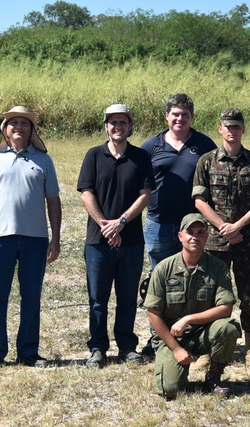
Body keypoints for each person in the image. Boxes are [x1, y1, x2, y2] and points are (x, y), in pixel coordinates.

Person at [0, 106, 62, 371]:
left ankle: (29, 352)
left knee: (31, 296)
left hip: (35, 239)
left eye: (25, 123)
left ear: (32, 130)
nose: (19, 127)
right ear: (5, 129)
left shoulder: (44, 160)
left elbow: (53, 201)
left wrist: (55, 238)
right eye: (13, 123)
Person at [77, 103, 154, 367]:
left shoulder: (140, 157)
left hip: (131, 240)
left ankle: (126, 346)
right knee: (98, 299)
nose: (117, 127)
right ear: (106, 126)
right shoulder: (93, 155)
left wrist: (120, 222)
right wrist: (105, 225)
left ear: (130, 126)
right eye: (113, 123)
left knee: (127, 297)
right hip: (98, 241)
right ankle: (97, 348)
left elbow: (145, 194)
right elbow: (86, 192)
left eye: (123, 122)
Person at [193, 107, 250, 354]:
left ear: (243, 129)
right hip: (215, 242)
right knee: (213, 294)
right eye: (228, 126)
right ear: (220, 129)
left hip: (246, 241)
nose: (232, 131)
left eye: (237, 126)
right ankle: (212, 345)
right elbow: (199, 201)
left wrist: (237, 226)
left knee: (248, 295)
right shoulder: (206, 161)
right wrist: (222, 227)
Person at [143, 213, 239, 398]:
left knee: (227, 327)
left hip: (203, 334)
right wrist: (177, 349)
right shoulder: (164, 268)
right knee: (169, 390)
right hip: (171, 338)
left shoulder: (218, 267)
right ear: (181, 236)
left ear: (207, 236)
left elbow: (225, 308)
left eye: (200, 232)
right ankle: (178, 369)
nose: (195, 237)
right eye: (190, 232)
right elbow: (153, 313)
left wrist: (188, 319)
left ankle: (214, 378)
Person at [141, 93, 217, 271]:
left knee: (193, 272)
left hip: (194, 223)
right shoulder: (151, 146)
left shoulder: (205, 144)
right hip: (158, 223)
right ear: (167, 115)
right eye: (175, 114)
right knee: (160, 274)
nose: (179, 119)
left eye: (185, 115)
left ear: (192, 117)